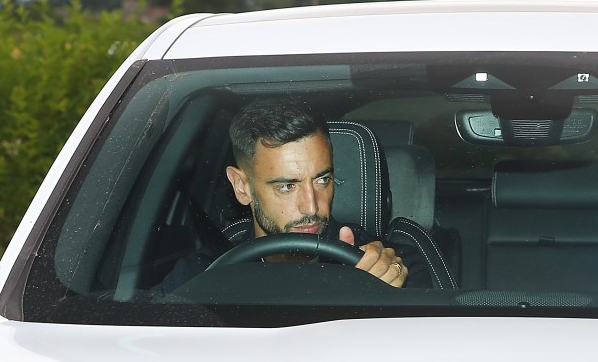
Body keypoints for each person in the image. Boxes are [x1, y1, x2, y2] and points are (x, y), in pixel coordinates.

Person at [156, 97, 431, 294]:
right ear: (242, 187)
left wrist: (377, 293)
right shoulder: (199, 277)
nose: (311, 206)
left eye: (322, 179)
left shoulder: (390, 265)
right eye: (287, 186)